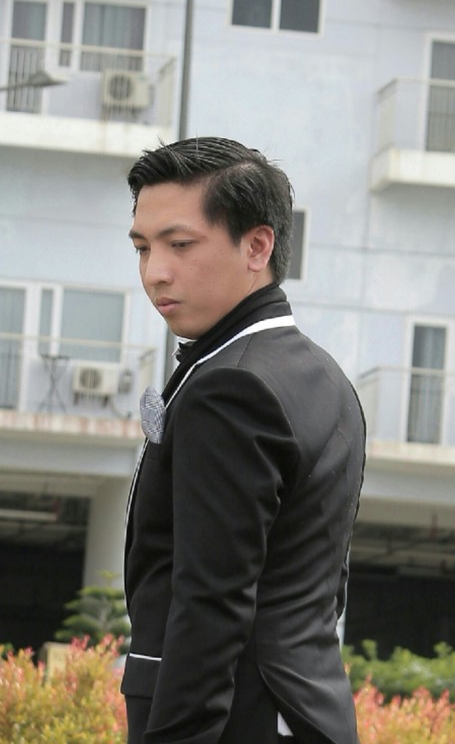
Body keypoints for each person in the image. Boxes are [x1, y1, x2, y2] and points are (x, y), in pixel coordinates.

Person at [121, 137, 367, 743]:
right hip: (305, 711)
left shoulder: (229, 386)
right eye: (143, 248)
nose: (155, 271)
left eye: (180, 245)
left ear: (257, 246)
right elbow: (322, 590)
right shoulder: (326, 378)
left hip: (239, 722)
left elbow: (210, 604)